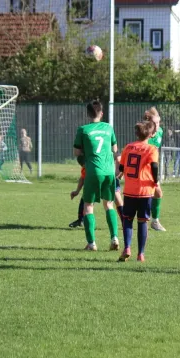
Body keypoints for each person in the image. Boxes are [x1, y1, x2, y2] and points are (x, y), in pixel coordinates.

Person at [73, 100, 119, 251]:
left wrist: (85, 164)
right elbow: (115, 149)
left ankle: (91, 243)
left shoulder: (83, 130)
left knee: (88, 206)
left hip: (94, 171)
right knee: (109, 205)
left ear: (87, 114)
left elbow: (77, 153)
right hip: (109, 171)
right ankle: (114, 238)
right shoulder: (108, 128)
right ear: (102, 113)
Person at [117, 120, 159, 262]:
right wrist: (156, 181)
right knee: (142, 221)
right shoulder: (151, 149)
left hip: (130, 190)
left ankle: (127, 247)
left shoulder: (128, 147)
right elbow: (154, 166)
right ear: (150, 134)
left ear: (137, 133)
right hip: (146, 191)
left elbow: (121, 168)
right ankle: (140, 254)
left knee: (127, 220)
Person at [69, 156, 124, 228]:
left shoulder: (89, 162)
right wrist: (77, 191)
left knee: (89, 199)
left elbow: (118, 158)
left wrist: (77, 191)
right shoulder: (103, 152)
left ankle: (125, 222)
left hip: (101, 176)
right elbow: (83, 177)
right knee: (87, 197)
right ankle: (125, 222)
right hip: (109, 175)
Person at [144, 107, 166, 231]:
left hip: (153, 167)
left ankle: (153, 220)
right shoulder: (145, 134)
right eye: (155, 123)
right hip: (145, 169)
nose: (157, 125)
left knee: (156, 193)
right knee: (154, 193)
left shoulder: (160, 132)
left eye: (158, 122)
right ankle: (153, 221)